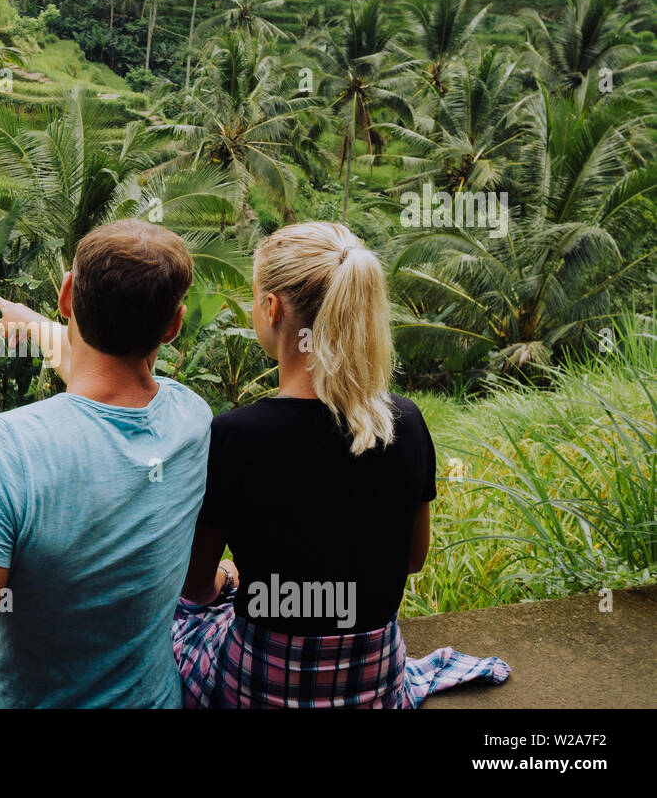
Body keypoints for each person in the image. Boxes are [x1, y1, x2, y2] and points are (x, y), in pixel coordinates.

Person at [0, 219, 214, 708]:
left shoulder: (6, 448)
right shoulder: (192, 420)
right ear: (174, 323)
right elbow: (104, 375)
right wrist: (31, 323)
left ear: (66, 296)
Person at [174, 221, 509, 708]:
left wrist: (228, 578)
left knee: (171, 622)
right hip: (373, 681)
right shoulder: (405, 423)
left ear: (271, 309)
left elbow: (194, 585)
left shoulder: (232, 435)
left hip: (263, 683)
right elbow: (413, 559)